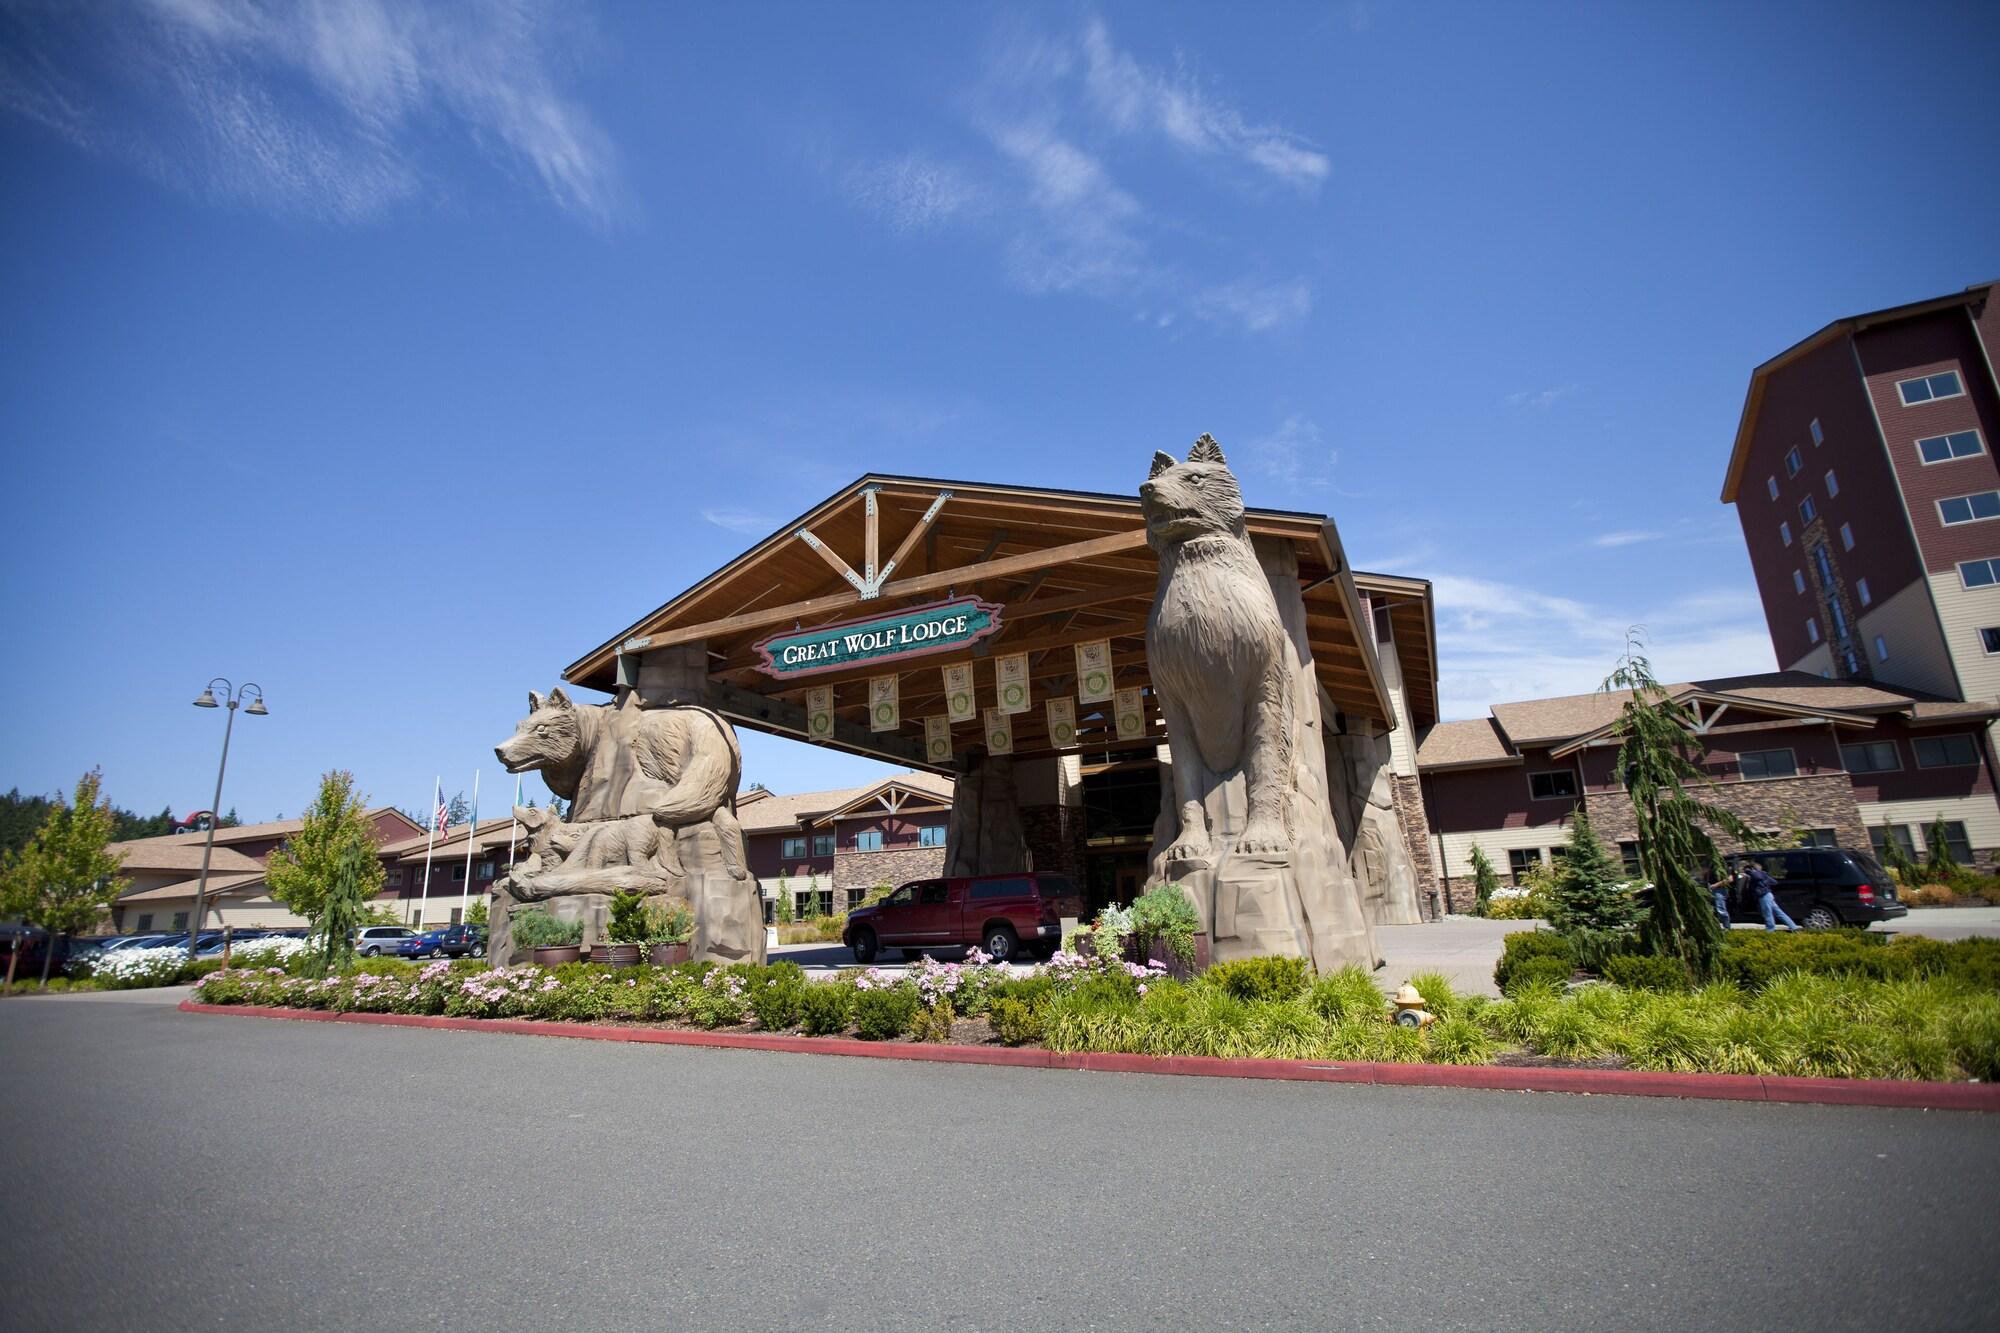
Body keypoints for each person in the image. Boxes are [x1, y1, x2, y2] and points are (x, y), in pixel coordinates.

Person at [1742, 860, 1798, 932]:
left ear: (1753, 869)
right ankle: (1793, 926)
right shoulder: (1764, 874)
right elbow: (1774, 882)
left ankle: (1770, 930)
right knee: (1778, 912)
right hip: (1768, 894)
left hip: (1764, 896)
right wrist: (1765, 883)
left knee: (1767, 913)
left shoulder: (1757, 874)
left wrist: (1748, 871)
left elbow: (1757, 876)